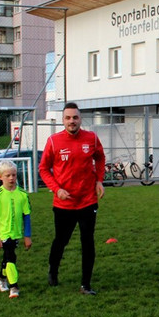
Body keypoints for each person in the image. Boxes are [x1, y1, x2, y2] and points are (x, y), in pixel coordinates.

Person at [39, 102, 106, 295]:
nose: (72, 121)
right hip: (64, 203)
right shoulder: (54, 141)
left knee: (88, 241)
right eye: (68, 118)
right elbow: (43, 169)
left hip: (87, 201)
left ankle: (86, 284)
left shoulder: (91, 138)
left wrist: (99, 180)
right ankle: (53, 270)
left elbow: (100, 158)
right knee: (61, 240)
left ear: (80, 119)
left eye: (75, 117)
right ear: (63, 120)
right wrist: (56, 189)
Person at [0, 160, 32, 299]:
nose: (11, 178)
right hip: (3, 233)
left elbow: (26, 216)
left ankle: (1, 278)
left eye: (14, 175)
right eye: (8, 176)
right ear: (0, 177)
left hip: (15, 233)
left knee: (7, 257)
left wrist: (27, 236)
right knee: (11, 256)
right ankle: (14, 287)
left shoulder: (22, 194)